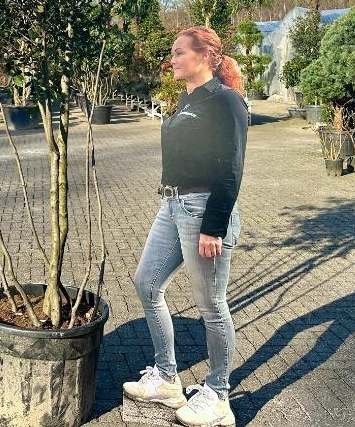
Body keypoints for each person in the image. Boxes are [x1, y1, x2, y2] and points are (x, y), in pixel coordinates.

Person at [123, 26, 248, 427]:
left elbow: (230, 169)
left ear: (206, 56)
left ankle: (218, 395)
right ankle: (166, 378)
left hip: (203, 210)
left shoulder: (225, 101)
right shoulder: (186, 98)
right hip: (172, 203)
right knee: (147, 283)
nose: (172, 59)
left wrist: (214, 225)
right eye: (172, 53)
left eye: (179, 53)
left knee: (210, 304)